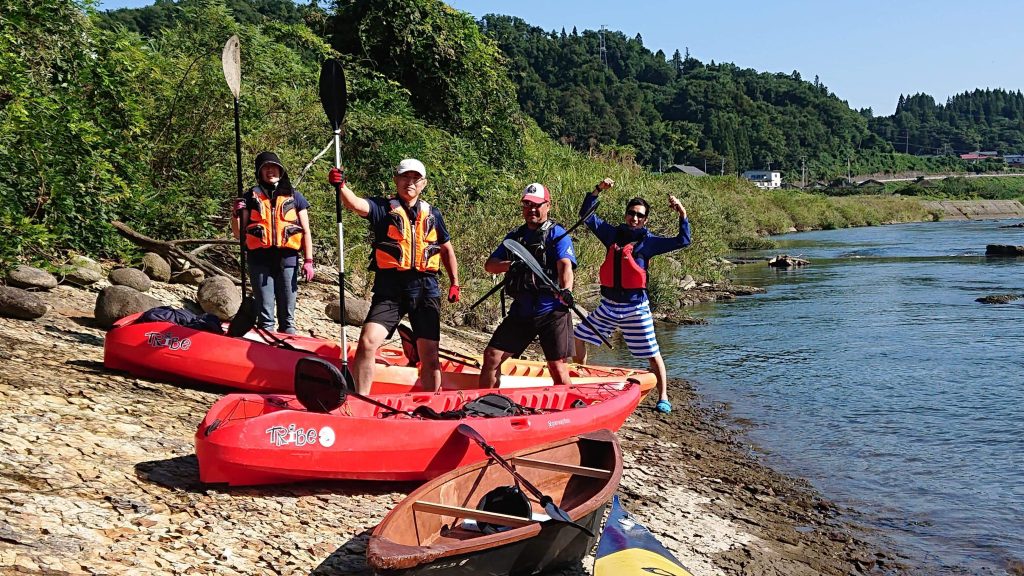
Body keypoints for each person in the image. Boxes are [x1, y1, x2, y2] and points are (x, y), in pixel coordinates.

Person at [328, 159, 460, 394]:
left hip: (425, 288)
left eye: (415, 179)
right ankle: (361, 398)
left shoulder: (433, 214)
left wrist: (454, 283)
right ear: (396, 180)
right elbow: (356, 205)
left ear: (423, 184)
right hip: (391, 288)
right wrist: (342, 187)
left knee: (429, 354)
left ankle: (433, 403)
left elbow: (446, 249)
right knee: (368, 343)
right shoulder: (382, 207)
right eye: (405, 177)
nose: (410, 183)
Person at [572, 178, 691, 413]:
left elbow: (683, 240)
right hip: (608, 305)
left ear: (645, 219)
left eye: (639, 215)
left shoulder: (649, 242)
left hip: (636, 308)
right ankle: (579, 382)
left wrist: (682, 214)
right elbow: (586, 215)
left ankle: (664, 396)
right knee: (579, 336)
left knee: (652, 353)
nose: (634, 218)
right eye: (631, 213)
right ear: (626, 214)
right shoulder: (612, 235)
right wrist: (596, 190)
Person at [479, 183, 577, 388]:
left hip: (552, 310)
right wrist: (513, 265)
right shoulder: (516, 236)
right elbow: (490, 265)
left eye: (537, 205)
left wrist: (566, 290)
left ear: (548, 206)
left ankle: (569, 407)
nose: (532, 209)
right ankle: (483, 403)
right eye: (527, 204)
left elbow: (565, 266)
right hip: (523, 310)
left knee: (556, 366)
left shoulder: (557, 234)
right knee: (491, 357)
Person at [231, 151, 314, 335]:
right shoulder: (249, 197)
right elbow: (239, 234)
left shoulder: (295, 197)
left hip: (288, 260)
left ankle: (288, 347)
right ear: (259, 172)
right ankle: (266, 348)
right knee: (266, 317)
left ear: (281, 170)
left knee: (288, 318)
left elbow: (306, 231)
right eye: (266, 168)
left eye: (274, 167)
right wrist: (235, 214)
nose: (270, 171)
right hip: (259, 260)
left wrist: (309, 261)